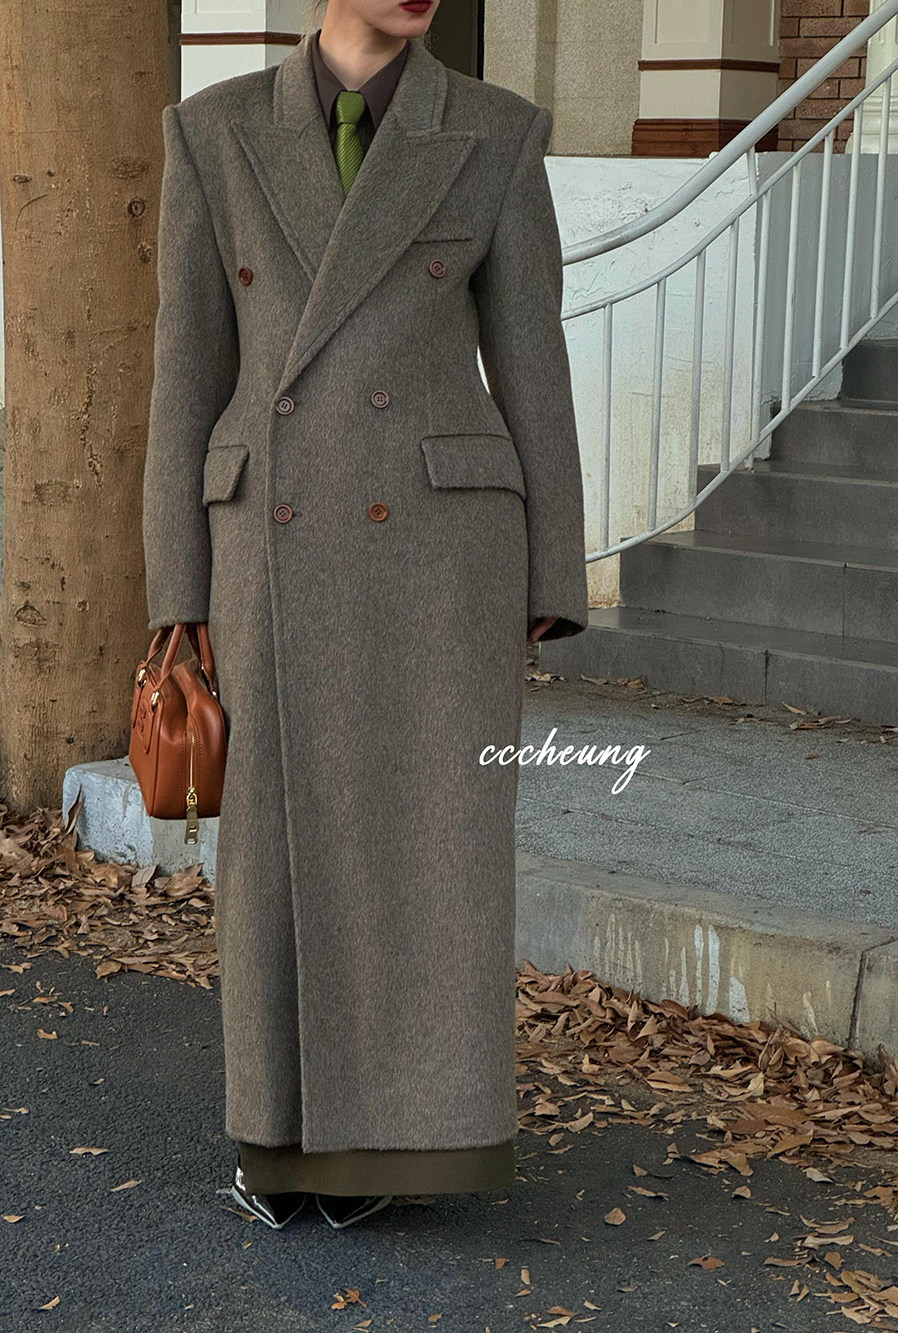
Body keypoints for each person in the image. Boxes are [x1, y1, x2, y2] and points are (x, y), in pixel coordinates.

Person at [142, 0, 588, 1232]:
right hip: (268, 542)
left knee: (434, 846)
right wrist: (176, 591)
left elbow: (533, 359)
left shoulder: (495, 131)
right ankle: (281, 1139)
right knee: (273, 850)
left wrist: (553, 574)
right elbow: (185, 371)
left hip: (443, 555)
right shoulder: (211, 132)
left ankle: (416, 1137)